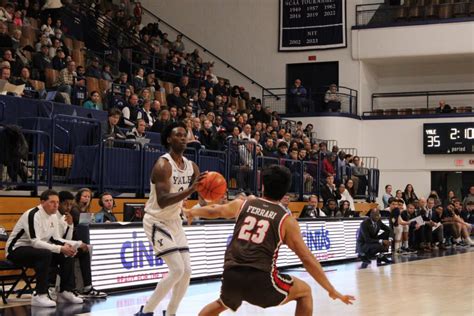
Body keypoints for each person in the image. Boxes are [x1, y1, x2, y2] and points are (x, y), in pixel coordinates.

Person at [184, 165, 354, 315]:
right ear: (286, 191)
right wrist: (331, 290)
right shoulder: (287, 221)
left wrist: (192, 212)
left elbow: (216, 210)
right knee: (305, 292)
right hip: (262, 282)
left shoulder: (244, 203)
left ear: (263, 185)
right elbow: (307, 259)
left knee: (220, 304)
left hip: (231, 275)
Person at [135, 122, 206, 316]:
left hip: (175, 221)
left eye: (185, 135)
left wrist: (208, 187)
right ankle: (146, 311)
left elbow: (201, 192)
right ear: (169, 139)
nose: (183, 138)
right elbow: (164, 200)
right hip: (156, 220)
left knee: (187, 272)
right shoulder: (163, 165)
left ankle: (171, 313)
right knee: (176, 269)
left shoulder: (192, 166)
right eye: (179, 135)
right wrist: (191, 189)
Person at [6, 190, 84, 307]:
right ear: (42, 202)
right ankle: (39, 294)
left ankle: (65, 292)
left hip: (37, 251)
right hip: (16, 250)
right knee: (46, 253)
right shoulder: (33, 214)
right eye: (52, 202)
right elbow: (35, 242)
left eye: (57, 202)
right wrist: (59, 248)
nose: (56, 205)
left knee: (68, 252)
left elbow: (55, 238)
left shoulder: (53, 216)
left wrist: (73, 245)